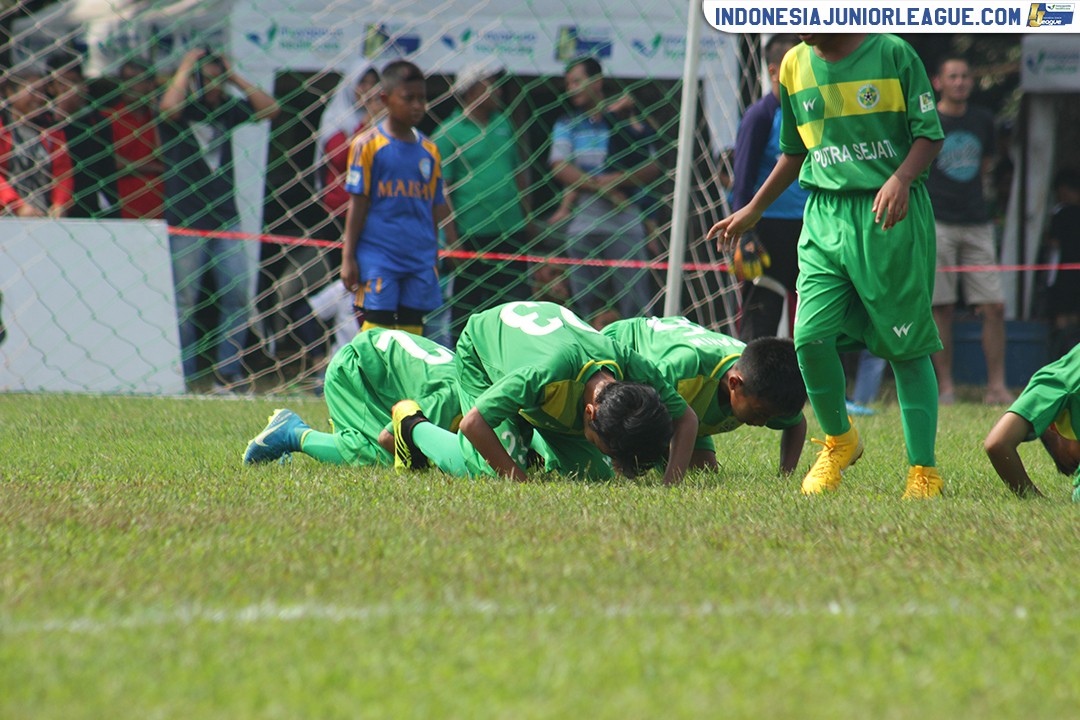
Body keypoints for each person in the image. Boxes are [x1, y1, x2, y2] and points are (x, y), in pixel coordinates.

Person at [708, 34, 946, 499]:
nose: (799, 24)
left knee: (906, 347)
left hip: (888, 216)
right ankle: (839, 441)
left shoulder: (893, 53)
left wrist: (902, 178)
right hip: (822, 218)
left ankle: (924, 472)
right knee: (809, 336)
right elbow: (795, 152)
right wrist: (754, 208)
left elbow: (929, 135)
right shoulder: (795, 64)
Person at [392, 301, 699, 484]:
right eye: (608, 449)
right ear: (591, 414)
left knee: (596, 477)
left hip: (544, 380)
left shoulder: (629, 362)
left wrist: (671, 483)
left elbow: (687, 419)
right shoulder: (546, 373)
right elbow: (473, 424)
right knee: (489, 468)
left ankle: (532, 442)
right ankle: (412, 427)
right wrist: (520, 483)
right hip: (483, 351)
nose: (619, 466)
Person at [159, 48, 280, 390]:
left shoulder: (226, 108)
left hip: (225, 218)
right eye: (206, 77)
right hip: (186, 218)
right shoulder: (182, 110)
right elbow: (168, 108)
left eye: (217, 77)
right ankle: (181, 373)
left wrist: (234, 77)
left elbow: (271, 109)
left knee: (238, 294)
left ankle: (228, 371)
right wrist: (185, 65)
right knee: (184, 302)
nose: (213, 85)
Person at [601, 316, 807, 475]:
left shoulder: (762, 377)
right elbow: (633, 409)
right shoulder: (683, 370)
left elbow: (796, 423)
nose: (762, 423)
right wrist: (670, 485)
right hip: (623, 349)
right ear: (734, 383)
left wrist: (786, 475)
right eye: (760, 413)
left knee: (702, 472)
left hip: (683, 396)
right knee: (627, 463)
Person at [340, 59, 453, 337]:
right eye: (408, 98)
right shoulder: (366, 145)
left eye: (422, 98)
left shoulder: (430, 150)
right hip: (379, 257)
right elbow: (358, 204)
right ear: (385, 98)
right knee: (376, 335)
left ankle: (404, 382)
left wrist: (438, 252)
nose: (417, 105)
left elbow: (435, 206)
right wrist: (348, 257)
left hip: (419, 259)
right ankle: (370, 381)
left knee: (412, 337)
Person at [926, 56, 1013, 406]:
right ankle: (946, 387)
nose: (960, 82)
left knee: (993, 306)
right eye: (953, 76)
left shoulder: (983, 120)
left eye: (965, 76)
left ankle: (997, 386)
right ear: (938, 82)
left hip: (977, 222)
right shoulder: (929, 119)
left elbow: (987, 164)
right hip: (938, 221)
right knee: (940, 307)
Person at [242, 328, 460, 466]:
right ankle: (292, 433)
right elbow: (389, 438)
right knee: (381, 457)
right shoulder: (450, 398)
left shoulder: (463, 383)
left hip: (372, 365)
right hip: (354, 368)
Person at [548, 56, 661, 324]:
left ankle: (636, 357)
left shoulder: (625, 119)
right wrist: (603, 187)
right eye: (567, 83)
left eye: (576, 81)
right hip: (584, 218)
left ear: (596, 82)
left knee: (635, 302)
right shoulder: (567, 124)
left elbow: (654, 166)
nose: (570, 88)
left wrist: (619, 180)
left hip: (625, 218)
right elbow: (559, 166)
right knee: (584, 303)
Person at [432, 61, 532, 338]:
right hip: (472, 236)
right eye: (490, 83)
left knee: (514, 306)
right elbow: (442, 192)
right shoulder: (448, 132)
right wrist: (452, 242)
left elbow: (518, 172)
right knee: (470, 309)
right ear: (473, 90)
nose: (497, 90)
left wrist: (528, 216)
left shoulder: (503, 123)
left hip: (511, 231)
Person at [730, 34, 809, 341]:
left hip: (811, 227)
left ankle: (813, 389)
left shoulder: (812, 110)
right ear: (774, 71)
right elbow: (743, 179)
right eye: (795, 63)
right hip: (768, 230)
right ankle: (752, 386)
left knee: (817, 318)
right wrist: (745, 234)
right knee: (761, 318)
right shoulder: (760, 115)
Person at [984, 342, 1080, 500]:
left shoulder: (1058, 379)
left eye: (1074, 463)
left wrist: (1035, 500)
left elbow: (997, 444)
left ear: (1054, 428)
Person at [44, 51, 117, 219]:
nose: (70, 90)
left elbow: (107, 169)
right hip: (53, 206)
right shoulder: (43, 123)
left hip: (92, 205)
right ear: (50, 88)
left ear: (84, 85)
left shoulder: (97, 122)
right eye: (63, 84)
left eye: (74, 82)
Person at [0, 67, 72, 217]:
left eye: (42, 92)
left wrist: (60, 203)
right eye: (32, 91)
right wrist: (17, 205)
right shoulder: (4, 127)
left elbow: (63, 171)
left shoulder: (52, 130)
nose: (38, 98)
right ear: (10, 93)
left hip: (42, 213)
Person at [106, 58, 164, 219]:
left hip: (160, 207)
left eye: (137, 80)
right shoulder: (109, 118)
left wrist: (156, 113)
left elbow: (164, 155)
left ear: (150, 85)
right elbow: (112, 163)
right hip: (125, 208)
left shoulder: (158, 119)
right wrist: (155, 168)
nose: (130, 86)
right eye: (125, 80)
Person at [1043, 168, 1080, 360]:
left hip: (1062, 276)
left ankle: (1060, 361)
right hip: (1075, 276)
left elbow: (1054, 242)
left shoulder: (1060, 213)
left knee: (1062, 322)